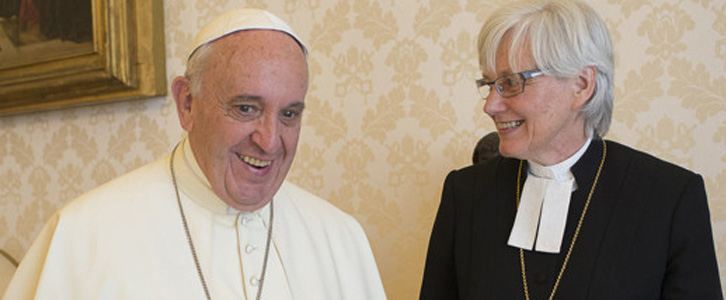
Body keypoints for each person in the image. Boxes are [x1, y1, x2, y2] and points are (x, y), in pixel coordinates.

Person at [4, 8, 387, 300]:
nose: (270, 141)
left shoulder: (340, 238)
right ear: (187, 103)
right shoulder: (84, 236)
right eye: (246, 108)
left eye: (289, 114)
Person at [420, 0, 723, 299]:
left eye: (511, 83)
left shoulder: (669, 198)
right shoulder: (464, 193)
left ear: (581, 85)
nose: (490, 105)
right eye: (489, 84)